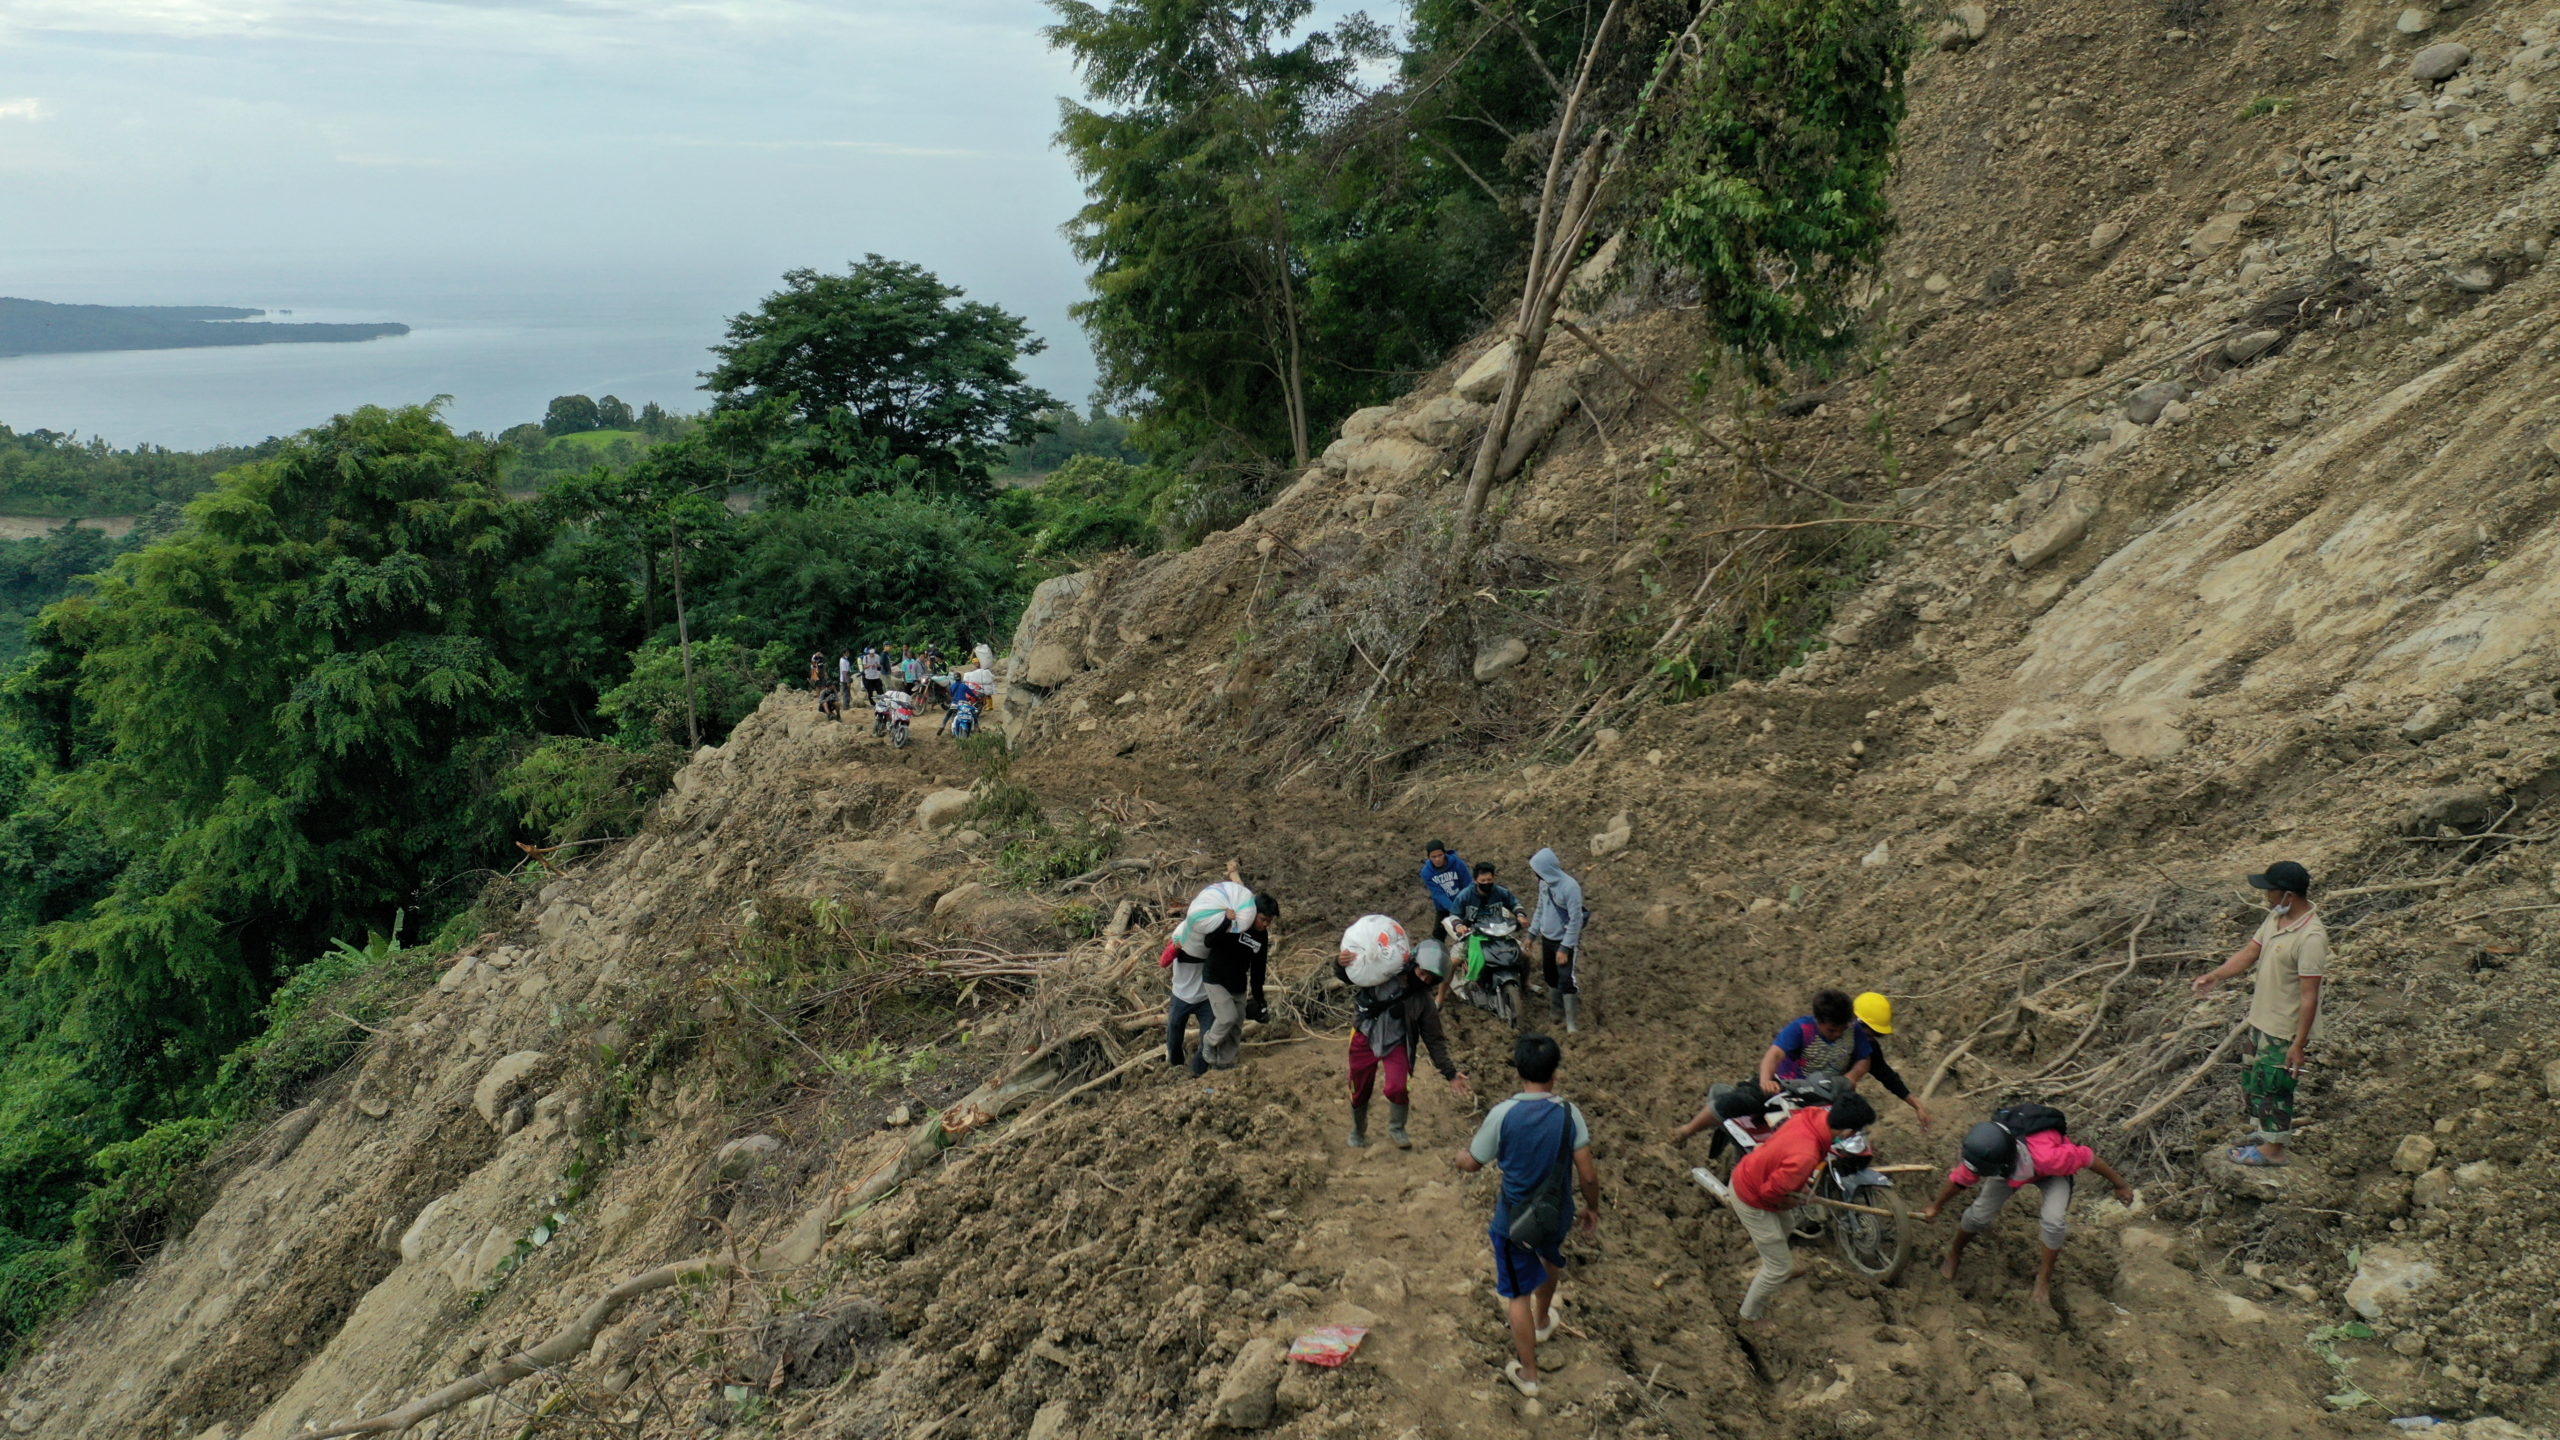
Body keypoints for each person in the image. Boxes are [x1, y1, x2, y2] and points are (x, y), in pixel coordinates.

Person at [1454, 1034, 1599, 1398]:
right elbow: (1588, 1173)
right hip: (1556, 1210)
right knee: (1550, 1258)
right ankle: (1542, 1320)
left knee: (1516, 1292)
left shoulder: (1503, 1114)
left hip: (1515, 1218)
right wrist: (1592, 1207)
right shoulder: (1569, 1113)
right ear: (1556, 1072)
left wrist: (1459, 1157)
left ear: (1519, 1071)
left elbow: (1472, 1163)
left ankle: (1530, 1375)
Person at [1920, 1107, 2135, 1306]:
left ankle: (2043, 1279)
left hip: (2051, 1174)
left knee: (2053, 1221)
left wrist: (2120, 1184)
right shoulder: (1987, 1151)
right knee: (1978, 1215)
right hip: (2009, 1169)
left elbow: (2089, 1158)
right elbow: (1960, 1179)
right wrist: (1936, 1206)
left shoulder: (2051, 1158)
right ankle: (1955, 1253)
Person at [2191, 861, 2328, 1167]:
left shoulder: (2311, 938)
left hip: (2283, 1028)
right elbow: (2250, 952)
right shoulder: (2276, 917)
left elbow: (2309, 997)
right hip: (2261, 1019)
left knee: (2275, 1087)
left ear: (2288, 895)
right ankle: (2265, 1135)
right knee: (2255, 1083)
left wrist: (2298, 1045)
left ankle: (2274, 1151)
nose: (2266, 896)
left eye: (2271, 891)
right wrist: (2216, 976)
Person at [1726, 1091, 1877, 1323]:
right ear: (1847, 1132)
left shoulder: (1813, 1115)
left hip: (1756, 1170)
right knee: (1779, 1268)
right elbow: (1771, 1193)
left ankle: (1773, 1261)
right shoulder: (1805, 1155)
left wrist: (1801, 1188)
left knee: (1786, 1224)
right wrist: (1792, 1199)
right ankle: (1749, 1316)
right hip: (1750, 1196)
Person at [1668, 990, 1875, 1146]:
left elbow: (1864, 1060)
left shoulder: (1853, 1032)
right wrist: (1766, 1080)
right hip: (1787, 1087)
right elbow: (1774, 1054)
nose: (1838, 1034)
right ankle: (1687, 1130)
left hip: (1828, 1092)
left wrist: (1851, 1077)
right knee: (1737, 1101)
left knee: (1858, 1118)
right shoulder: (1801, 1028)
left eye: (1841, 1029)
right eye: (1831, 1030)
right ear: (1819, 1021)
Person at [1335, 939, 1470, 1149]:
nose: (1424, 979)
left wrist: (1450, 1073)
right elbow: (1351, 976)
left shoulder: (1424, 1001)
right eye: (1422, 972)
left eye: (1430, 978)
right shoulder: (1383, 974)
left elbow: (1434, 1039)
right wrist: (1340, 963)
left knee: (1396, 1087)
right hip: (1365, 1035)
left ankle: (1397, 1128)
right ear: (1413, 963)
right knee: (1359, 1088)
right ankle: (1358, 1130)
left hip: (1397, 1042)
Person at [1851, 992, 1935, 1131]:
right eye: (1866, 1034)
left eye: (1874, 1036)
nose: (1868, 1040)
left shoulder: (1869, 1047)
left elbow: (1887, 1076)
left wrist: (1917, 1105)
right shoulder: (1825, 1036)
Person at [1528, 848, 1587, 1034]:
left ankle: (1572, 1023)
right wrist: (1531, 934)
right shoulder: (1544, 884)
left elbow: (1575, 920)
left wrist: (1565, 946)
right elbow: (1540, 909)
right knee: (1551, 976)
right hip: (1547, 938)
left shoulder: (1570, 887)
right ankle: (1556, 1010)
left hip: (1564, 941)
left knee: (1566, 978)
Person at [1420, 842, 1472, 938]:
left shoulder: (1458, 864)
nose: (1437, 859)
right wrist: (1454, 909)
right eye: (1433, 857)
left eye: (1440, 855)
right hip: (1444, 907)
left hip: (1464, 902)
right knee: (1438, 935)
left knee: (1468, 931)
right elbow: (1438, 893)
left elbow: (1467, 884)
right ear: (1429, 857)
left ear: (1445, 853)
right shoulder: (1426, 872)